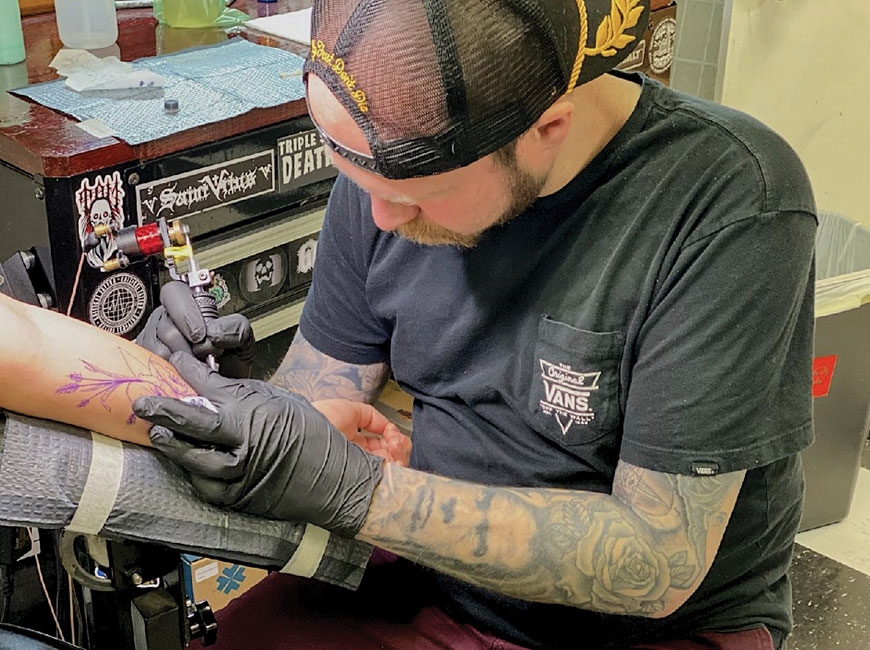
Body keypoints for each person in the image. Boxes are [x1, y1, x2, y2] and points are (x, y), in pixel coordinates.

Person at [130, 0, 817, 648]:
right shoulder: (390, 164)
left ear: (548, 128)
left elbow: (655, 559)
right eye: (361, 185)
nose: (381, 220)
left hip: (643, 628)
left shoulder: (732, 204)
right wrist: (238, 402)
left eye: (412, 197)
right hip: (436, 578)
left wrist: (361, 492)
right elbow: (322, 393)